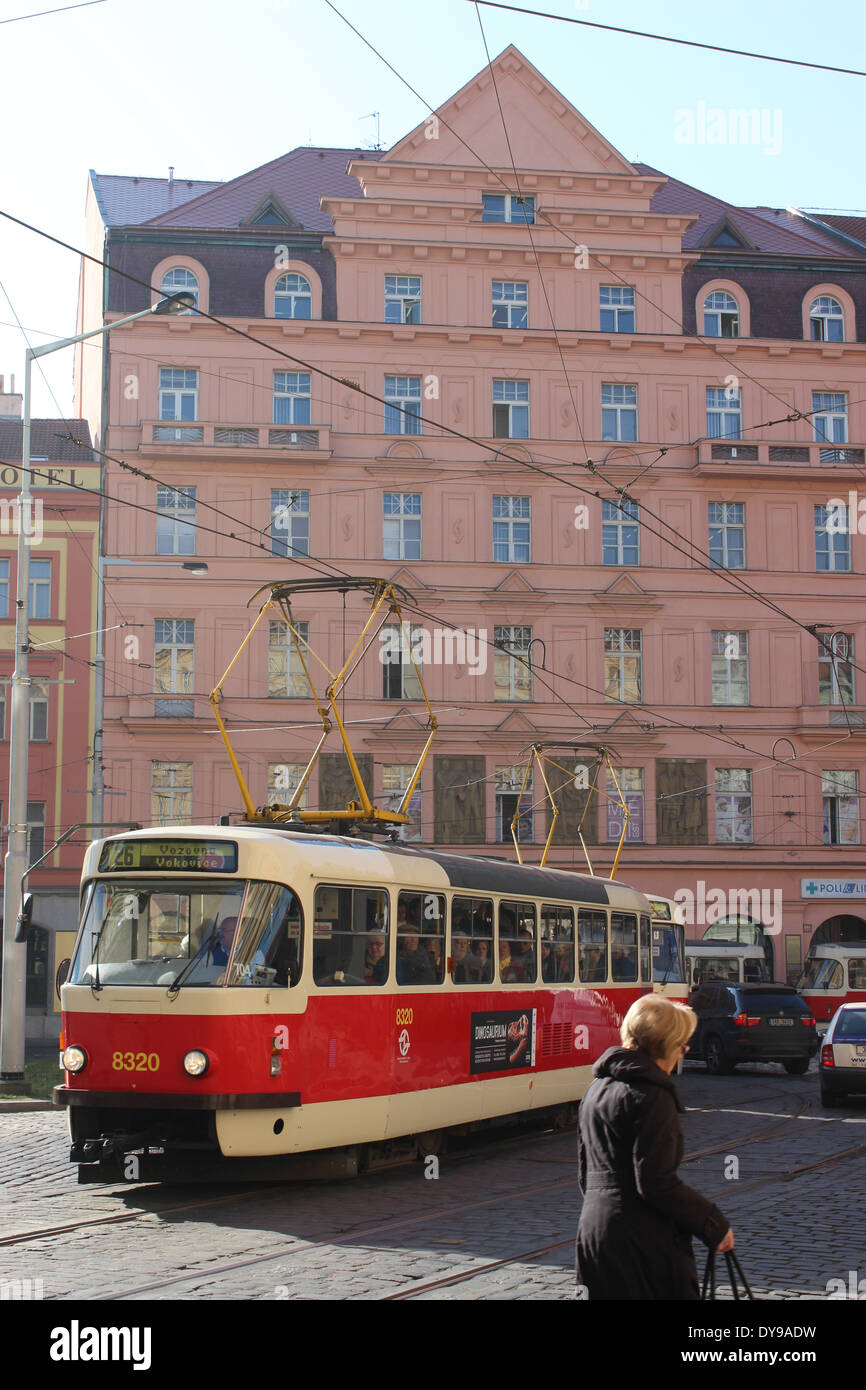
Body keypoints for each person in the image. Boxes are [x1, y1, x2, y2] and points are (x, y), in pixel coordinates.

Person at [575, 994, 734, 1300]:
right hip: (641, 1242)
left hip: (594, 1231)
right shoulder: (651, 1096)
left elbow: (584, 1173)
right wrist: (713, 1225)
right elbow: (656, 1181)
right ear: (666, 1045)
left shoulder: (596, 1090)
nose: (682, 1053)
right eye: (682, 1045)